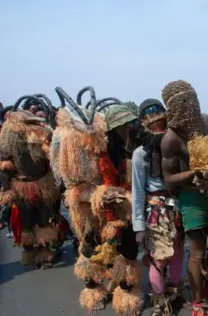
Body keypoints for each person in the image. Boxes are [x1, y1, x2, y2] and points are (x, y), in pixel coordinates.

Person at [50, 87, 142, 314]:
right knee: (91, 247)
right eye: (124, 126)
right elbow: (71, 181)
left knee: (125, 250)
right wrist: (100, 196)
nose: (129, 129)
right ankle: (93, 288)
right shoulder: (77, 142)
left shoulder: (129, 148)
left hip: (122, 208)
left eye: (130, 124)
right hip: (92, 208)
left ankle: (125, 290)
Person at [161, 80, 208, 316]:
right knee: (197, 252)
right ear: (173, 108)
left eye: (191, 100)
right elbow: (169, 179)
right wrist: (193, 173)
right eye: (182, 103)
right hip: (191, 198)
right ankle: (198, 303)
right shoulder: (171, 138)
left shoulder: (206, 121)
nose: (189, 107)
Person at [131, 99, 185, 315]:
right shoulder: (140, 154)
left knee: (178, 255)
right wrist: (139, 227)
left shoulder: (178, 145)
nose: (156, 123)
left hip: (177, 209)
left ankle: (174, 292)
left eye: (159, 118)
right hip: (155, 211)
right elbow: (137, 192)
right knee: (159, 259)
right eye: (150, 119)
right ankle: (160, 302)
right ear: (143, 123)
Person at [0, 94, 62, 270]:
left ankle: (45, 254)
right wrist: (7, 190)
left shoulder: (42, 134)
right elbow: (5, 167)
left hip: (43, 184)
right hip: (21, 186)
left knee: (44, 220)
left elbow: (52, 158)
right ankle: (30, 252)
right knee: (26, 222)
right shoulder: (7, 137)